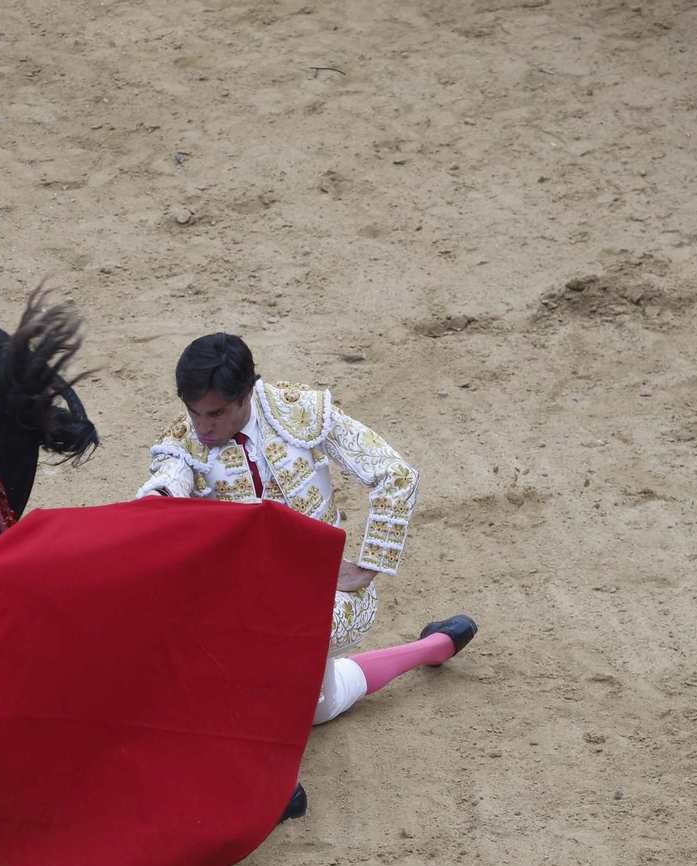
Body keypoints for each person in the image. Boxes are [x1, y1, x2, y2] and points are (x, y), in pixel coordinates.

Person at [137, 333, 477, 819]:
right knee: (317, 708)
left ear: (247, 396)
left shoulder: (300, 412)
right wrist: (154, 504)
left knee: (262, 655)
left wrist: (366, 566)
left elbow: (395, 473)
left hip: (322, 602)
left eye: (214, 414)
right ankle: (434, 646)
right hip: (242, 608)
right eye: (193, 412)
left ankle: (269, 779)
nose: (202, 426)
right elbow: (165, 488)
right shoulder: (181, 444)